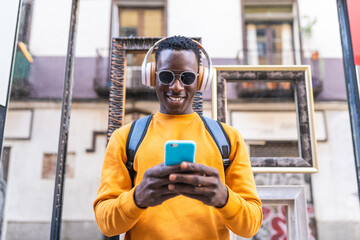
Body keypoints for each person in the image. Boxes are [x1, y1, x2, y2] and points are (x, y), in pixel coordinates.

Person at [93, 36, 263, 239]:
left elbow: (250, 226)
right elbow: (106, 224)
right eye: (166, 76)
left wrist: (224, 198)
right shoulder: (124, 138)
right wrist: (136, 198)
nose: (176, 87)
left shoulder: (229, 138)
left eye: (187, 78)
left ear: (200, 79)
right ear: (152, 76)